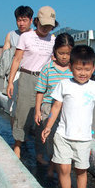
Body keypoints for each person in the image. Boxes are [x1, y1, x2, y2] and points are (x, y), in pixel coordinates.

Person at [41, 45, 95, 188]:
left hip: (83, 138)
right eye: (78, 69)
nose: (83, 73)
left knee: (81, 169)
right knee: (63, 167)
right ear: (70, 68)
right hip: (63, 135)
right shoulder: (64, 84)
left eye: (87, 70)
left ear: (93, 68)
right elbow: (55, 107)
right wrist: (48, 126)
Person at [6, 6, 59, 159]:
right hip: (27, 77)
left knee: (42, 115)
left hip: (45, 80)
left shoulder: (53, 40)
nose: (46, 28)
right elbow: (16, 60)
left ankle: (40, 153)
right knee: (22, 113)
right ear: (36, 21)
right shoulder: (26, 37)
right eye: (43, 25)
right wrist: (10, 82)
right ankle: (17, 145)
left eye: (49, 26)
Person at [34, 33, 74, 168]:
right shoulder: (48, 68)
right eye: (61, 53)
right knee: (49, 135)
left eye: (68, 53)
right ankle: (51, 161)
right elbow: (40, 91)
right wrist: (37, 110)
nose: (64, 57)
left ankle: (57, 162)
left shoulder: (74, 70)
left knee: (62, 136)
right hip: (48, 107)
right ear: (55, 51)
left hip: (67, 110)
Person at [1, 6, 34, 123]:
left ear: (31, 20)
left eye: (24, 20)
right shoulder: (11, 35)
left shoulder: (36, 35)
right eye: (19, 20)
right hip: (14, 74)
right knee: (12, 106)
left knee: (30, 105)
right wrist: (7, 78)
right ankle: (15, 137)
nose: (21, 23)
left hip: (31, 74)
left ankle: (26, 134)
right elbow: (5, 57)